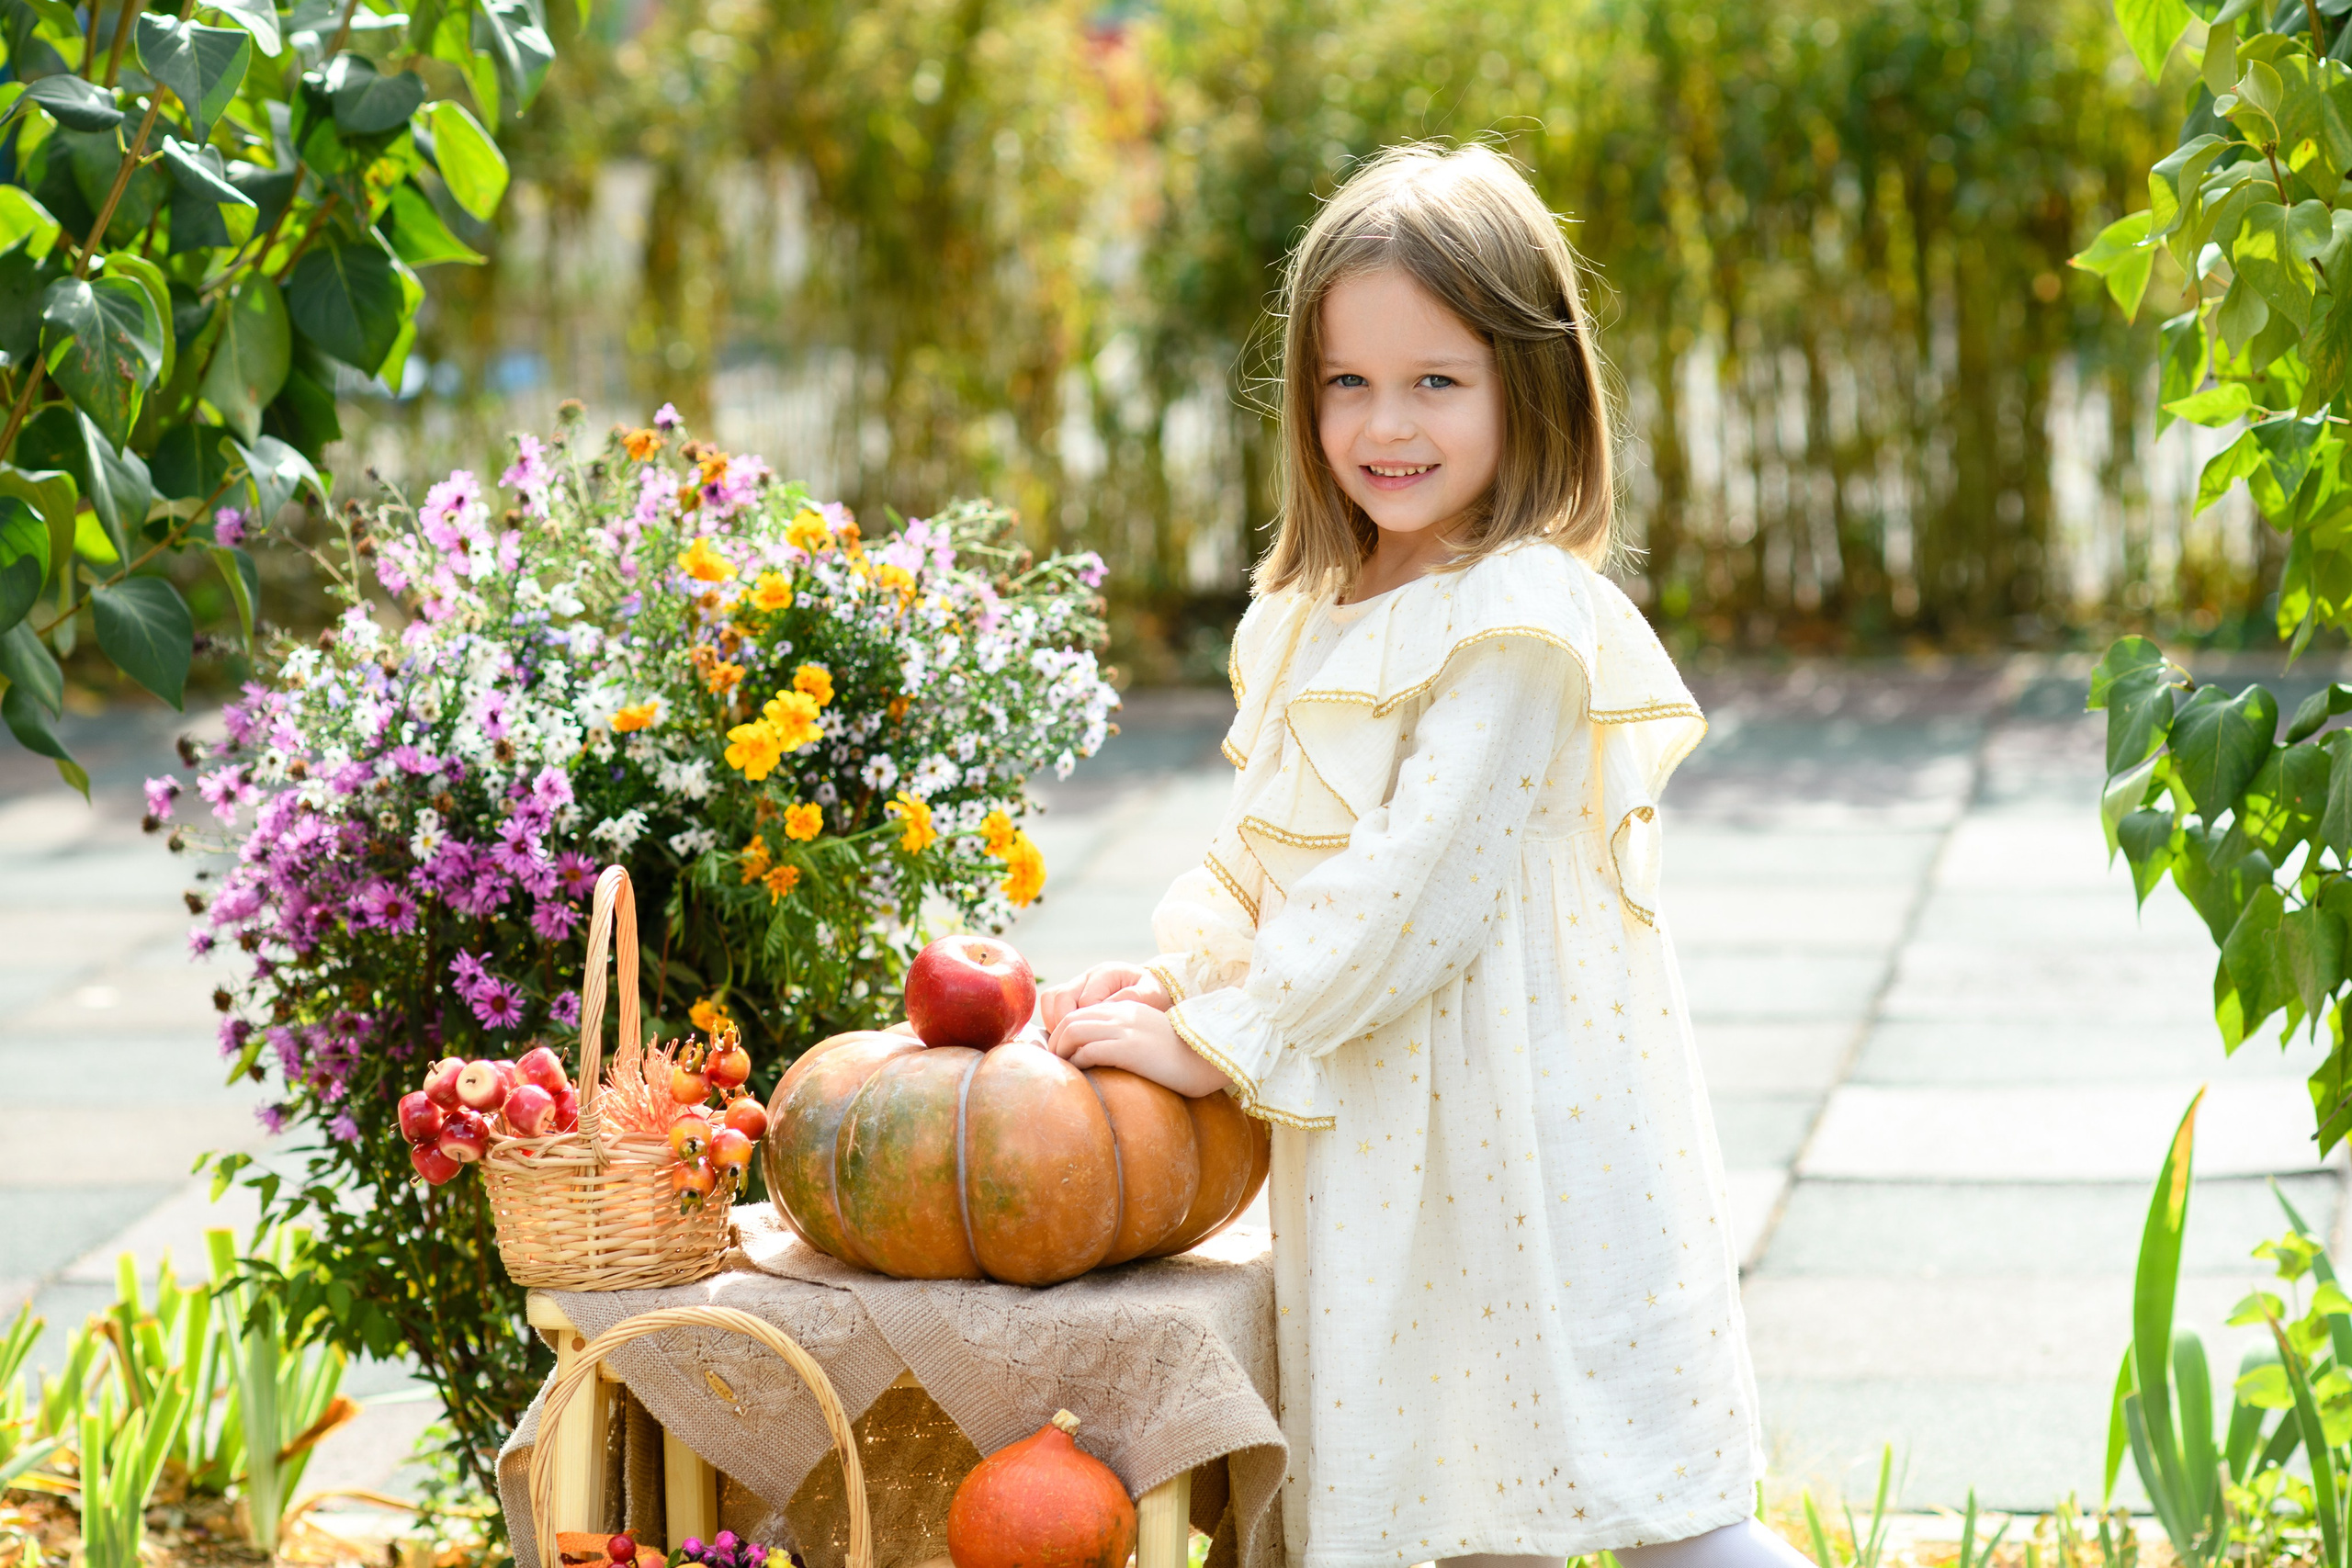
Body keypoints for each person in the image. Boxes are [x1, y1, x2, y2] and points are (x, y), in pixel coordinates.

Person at [1037, 143, 1808, 1568]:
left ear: (1533, 385)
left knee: (1659, 1513)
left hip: (1532, 1120)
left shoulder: (1518, 620)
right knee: (1447, 1489)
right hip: (1391, 1126)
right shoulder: (1316, 611)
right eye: (1348, 383)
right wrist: (1176, 980)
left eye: (1436, 383)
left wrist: (1228, 1037)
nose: (1386, 424)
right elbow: (1278, 857)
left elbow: (1413, 886)